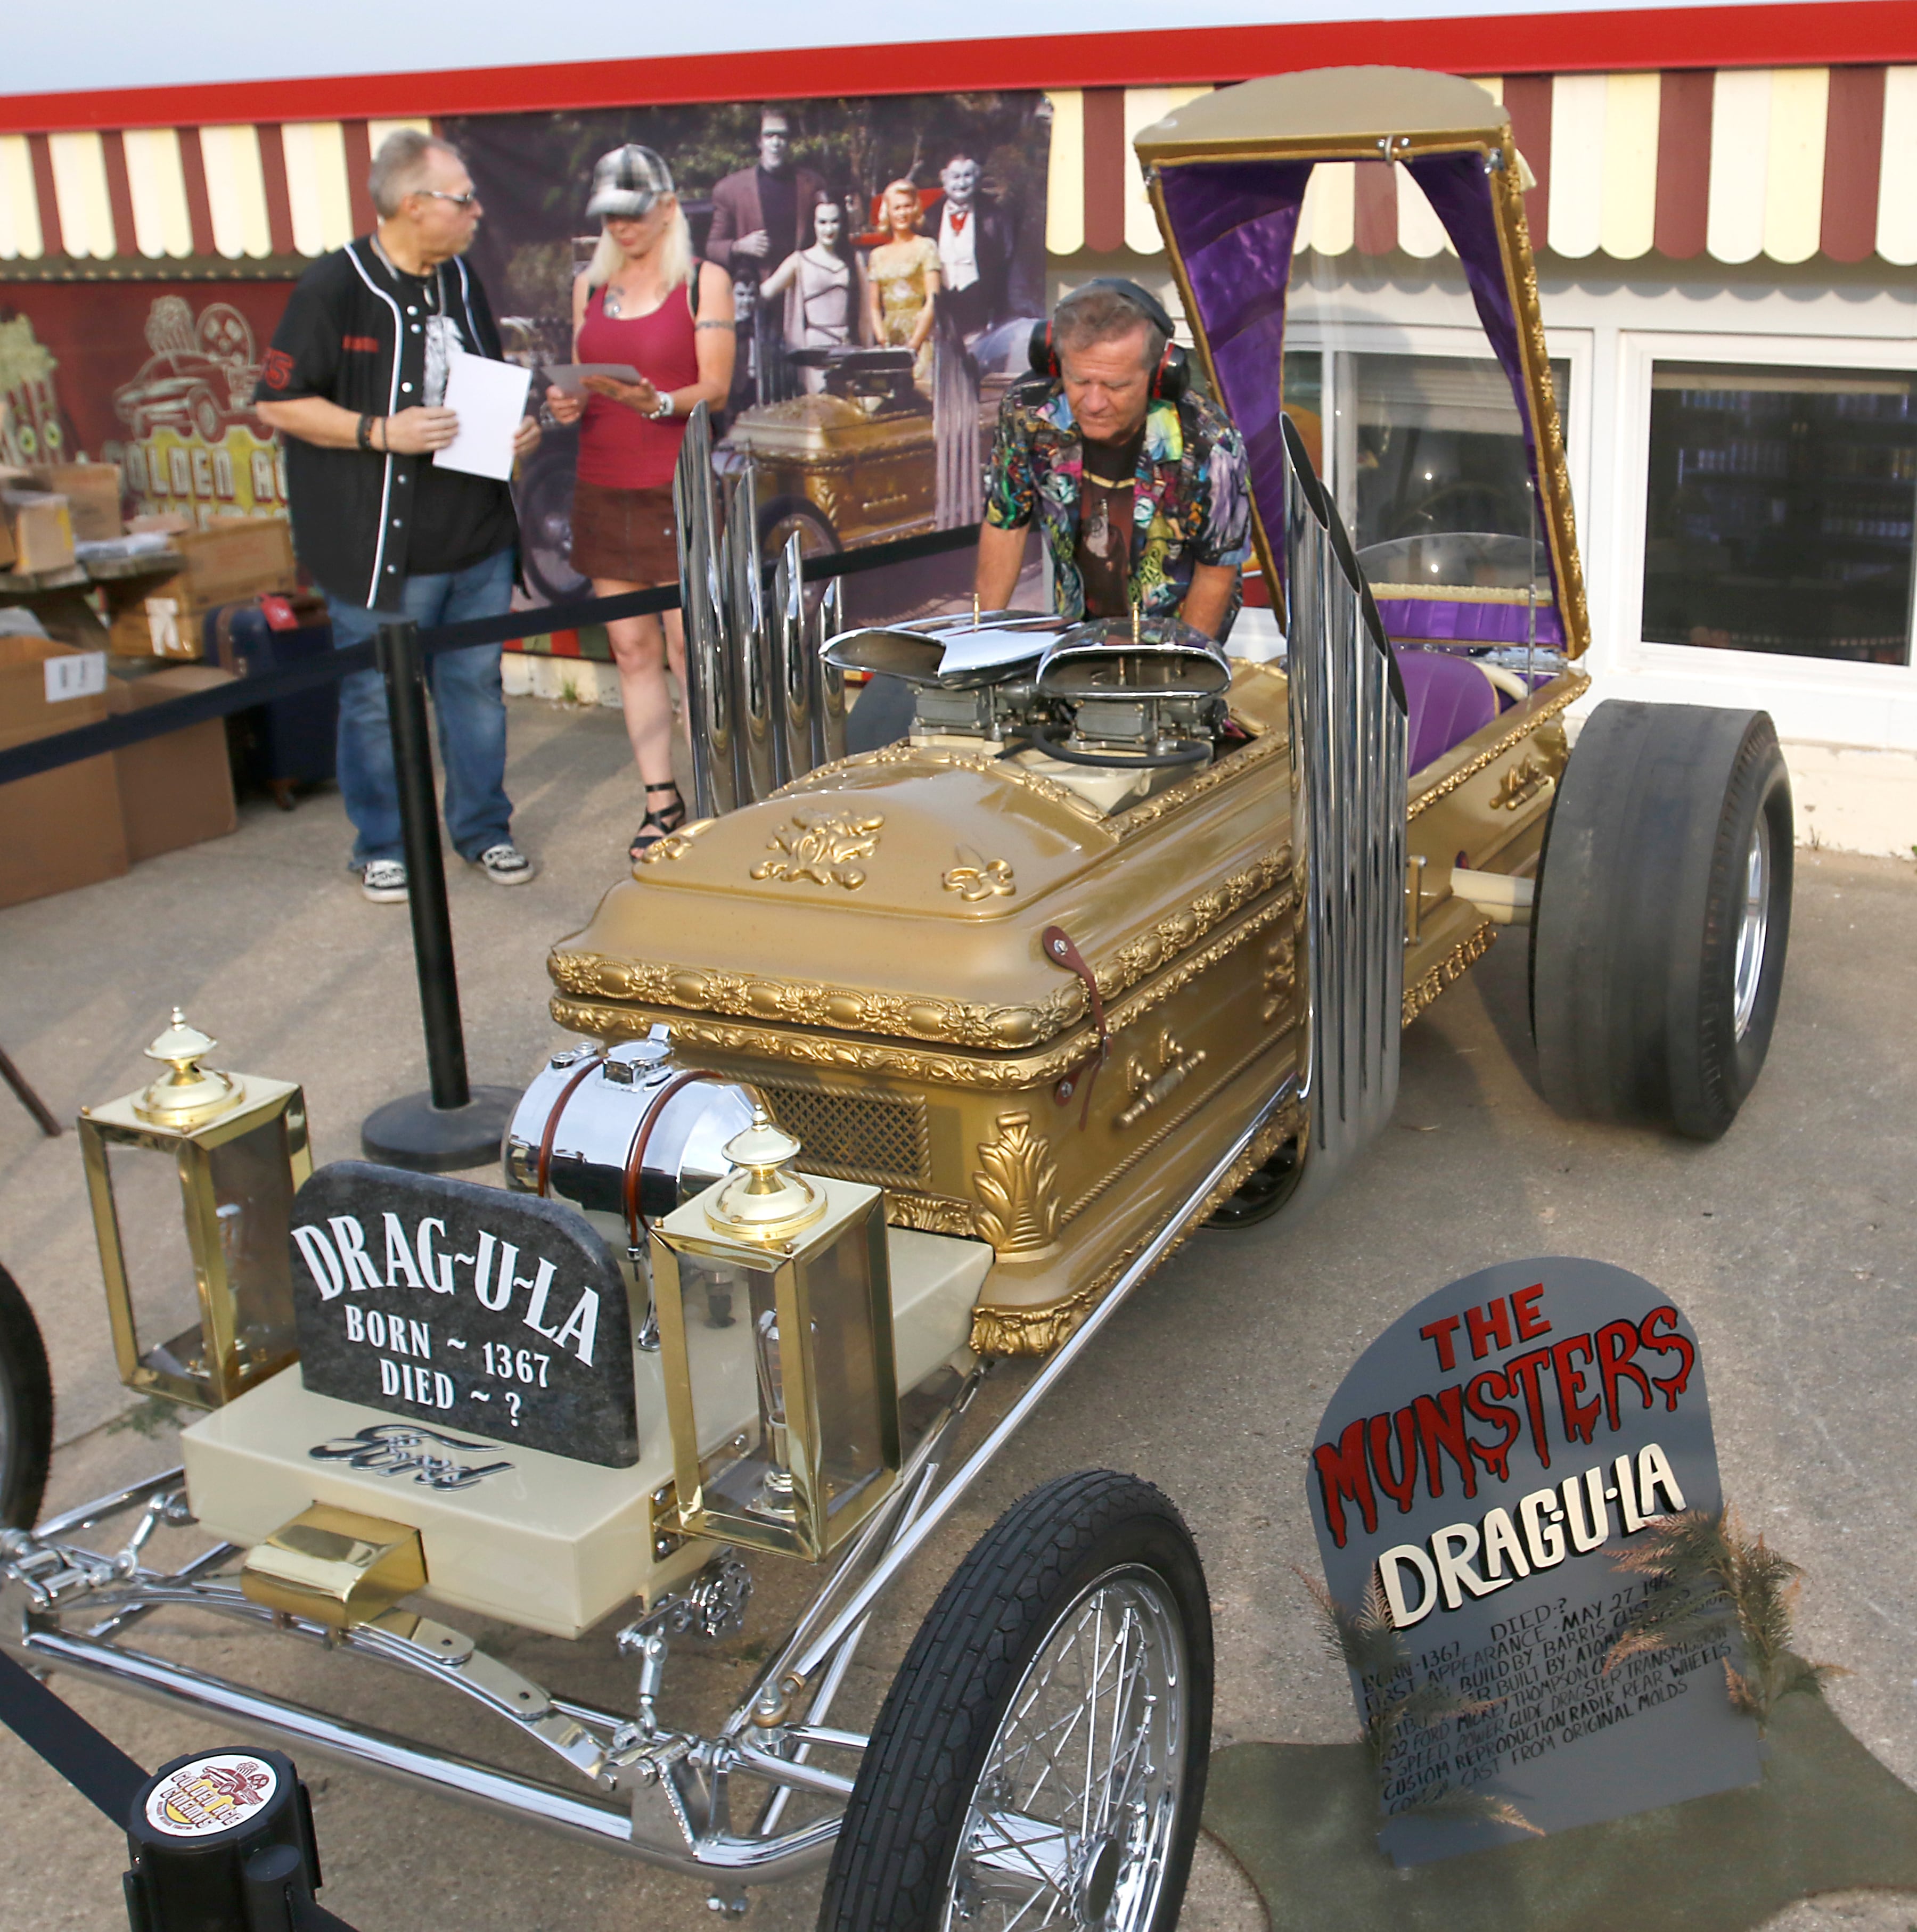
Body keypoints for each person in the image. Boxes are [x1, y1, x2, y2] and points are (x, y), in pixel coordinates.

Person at [255, 129, 539, 903]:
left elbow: (482, 377)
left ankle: (483, 828)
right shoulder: (332, 287)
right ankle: (382, 842)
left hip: (476, 538)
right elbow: (278, 401)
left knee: (475, 687)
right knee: (378, 699)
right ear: (413, 206)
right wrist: (378, 432)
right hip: (381, 547)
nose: (478, 212)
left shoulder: (459, 279)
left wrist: (516, 425)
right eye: (463, 199)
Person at [543, 145, 735, 862]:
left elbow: (714, 386)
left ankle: (719, 791)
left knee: (692, 648)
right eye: (610, 215)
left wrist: (654, 400)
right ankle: (661, 797)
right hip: (601, 478)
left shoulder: (703, 281)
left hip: (673, 480)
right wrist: (566, 401)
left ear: (665, 206)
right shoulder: (588, 285)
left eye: (632, 211)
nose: (621, 226)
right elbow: (580, 381)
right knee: (629, 648)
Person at [974, 279, 1251, 638]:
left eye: (1116, 386)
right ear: (1056, 364)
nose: (1093, 403)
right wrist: (977, 648)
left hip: (1173, 641)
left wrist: (1182, 675)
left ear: (1159, 376)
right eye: (1079, 380)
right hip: (1077, 637)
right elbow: (1005, 524)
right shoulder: (1028, 412)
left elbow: (1217, 569)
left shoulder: (1210, 443)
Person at [704, 109, 828, 407]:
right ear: (758, 141)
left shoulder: (810, 184)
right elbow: (712, 246)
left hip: (799, 297)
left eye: (783, 136)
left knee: (801, 377)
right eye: (770, 135)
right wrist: (739, 246)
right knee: (754, 381)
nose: (776, 143)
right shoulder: (731, 189)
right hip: (756, 299)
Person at [760, 199, 866, 389]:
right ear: (813, 224)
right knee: (819, 408)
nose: (829, 229)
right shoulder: (799, 260)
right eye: (822, 222)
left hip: (848, 345)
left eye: (835, 221)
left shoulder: (853, 259)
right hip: (815, 346)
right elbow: (766, 292)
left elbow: (866, 305)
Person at [865, 181, 941, 397]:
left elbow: (933, 300)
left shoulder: (926, 247)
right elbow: (873, 307)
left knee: (921, 400)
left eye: (907, 206)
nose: (902, 213)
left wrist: (914, 345)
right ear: (887, 212)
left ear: (915, 209)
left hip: (920, 336)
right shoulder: (877, 255)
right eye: (897, 208)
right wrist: (883, 340)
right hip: (890, 340)